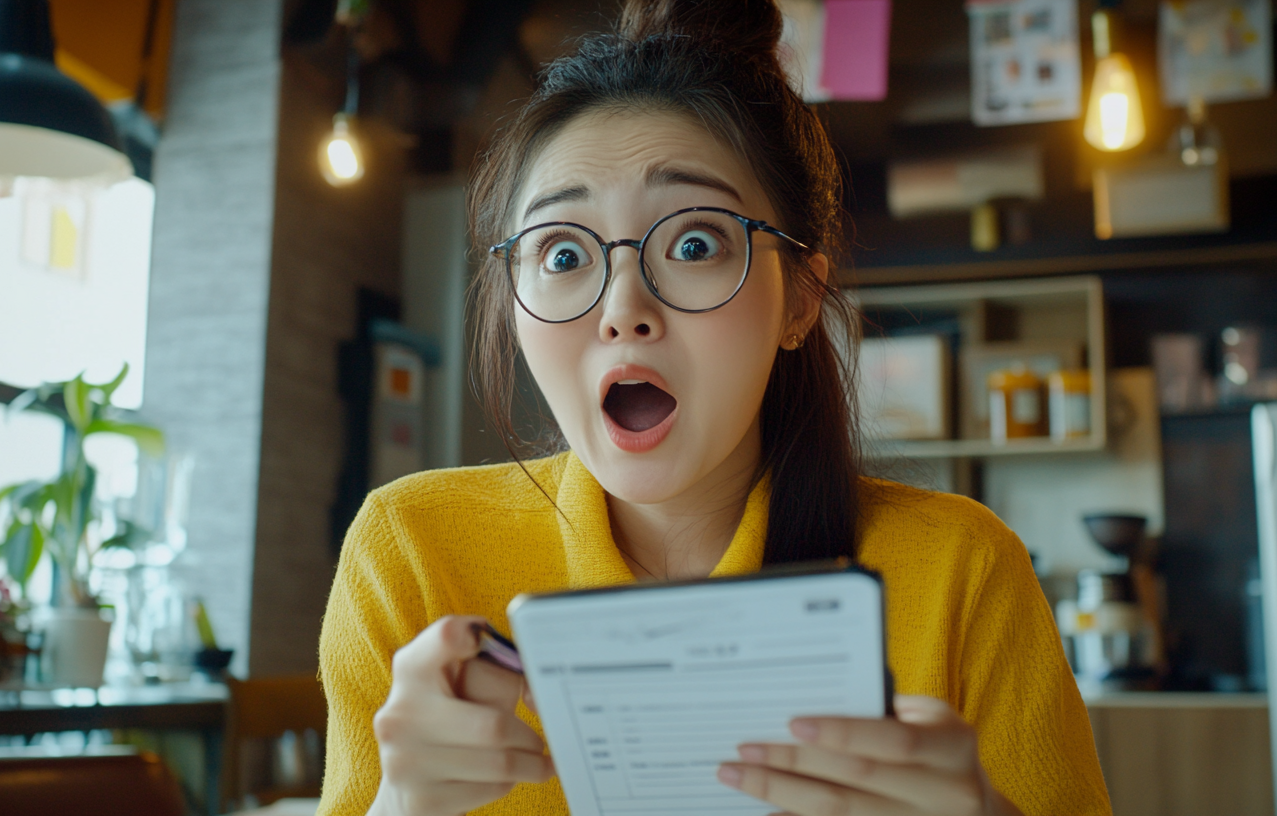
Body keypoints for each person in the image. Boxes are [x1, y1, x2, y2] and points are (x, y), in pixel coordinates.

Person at [317, 1, 1111, 814]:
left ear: (800, 299)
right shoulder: (411, 555)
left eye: (695, 243)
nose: (624, 308)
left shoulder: (963, 574)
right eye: (562, 252)